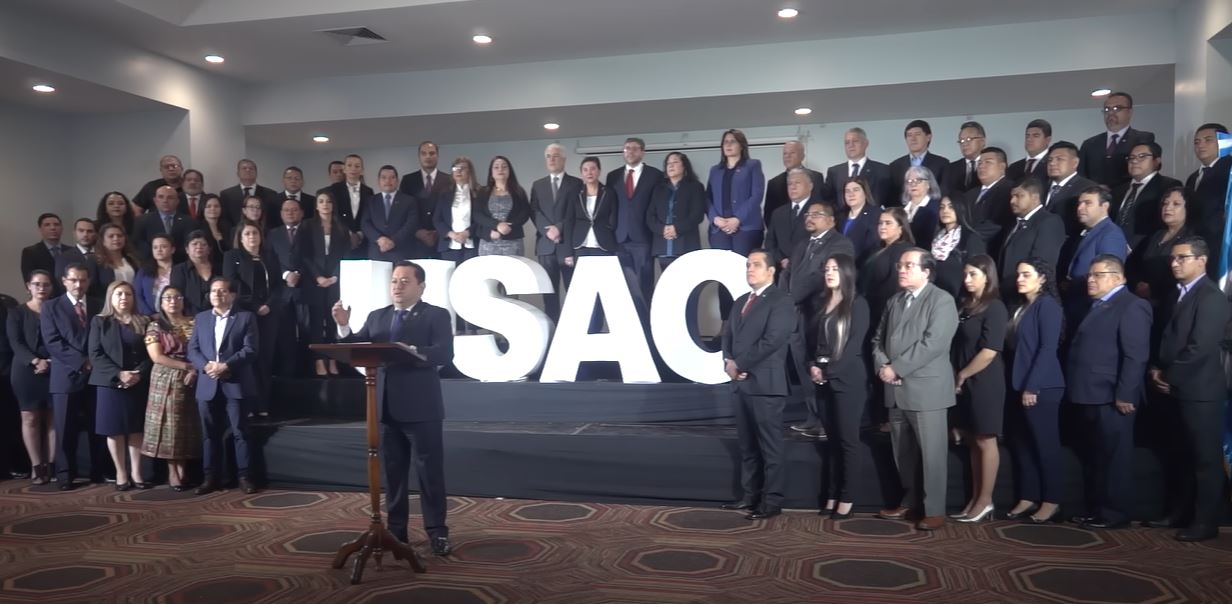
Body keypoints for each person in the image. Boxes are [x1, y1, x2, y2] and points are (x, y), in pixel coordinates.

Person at [333, 261, 455, 555]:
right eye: (394, 281)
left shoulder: (435, 315)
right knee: (393, 474)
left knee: (430, 474)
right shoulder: (378, 317)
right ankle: (396, 532)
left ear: (421, 286)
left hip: (422, 406)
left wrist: (413, 351)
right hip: (385, 407)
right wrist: (343, 324)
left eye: (404, 281)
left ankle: (437, 532)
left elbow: (444, 353)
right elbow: (355, 345)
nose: (397, 286)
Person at [1148, 236, 1231, 542]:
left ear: (1202, 260)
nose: (1174, 263)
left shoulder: (1211, 296)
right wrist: (1156, 368)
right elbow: (1166, 338)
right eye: (1172, 258)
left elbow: (1201, 347)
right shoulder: (1175, 294)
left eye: (1182, 258)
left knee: (1204, 459)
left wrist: (1169, 375)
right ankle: (1179, 514)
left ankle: (1205, 521)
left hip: (1200, 392)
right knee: (1180, 455)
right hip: (1174, 388)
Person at [872, 248, 959, 531]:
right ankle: (910, 500)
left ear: (926, 271)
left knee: (932, 454)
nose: (902, 269)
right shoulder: (895, 300)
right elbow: (877, 339)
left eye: (909, 265)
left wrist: (896, 368)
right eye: (900, 265)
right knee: (903, 453)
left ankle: (934, 509)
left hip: (927, 390)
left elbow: (934, 344)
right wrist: (883, 365)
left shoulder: (941, 301)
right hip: (894, 388)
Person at [1067, 255, 1151, 530]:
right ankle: (1097, 509)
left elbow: (1135, 356)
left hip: (1113, 397)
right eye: (1090, 275)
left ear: (1118, 278)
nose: (1090, 280)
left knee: (1114, 458)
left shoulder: (1132, 306)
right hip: (1088, 393)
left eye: (1098, 275)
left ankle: (1115, 513)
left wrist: (1125, 394)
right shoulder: (1094, 305)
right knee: (1096, 456)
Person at [719, 250, 795, 521]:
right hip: (740, 385)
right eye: (748, 265)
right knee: (747, 446)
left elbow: (772, 340)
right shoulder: (741, 300)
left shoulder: (782, 301)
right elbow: (727, 337)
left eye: (756, 265)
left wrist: (740, 364)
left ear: (771, 270)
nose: (750, 269)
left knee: (769, 447)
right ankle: (749, 496)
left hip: (766, 385)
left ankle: (771, 501)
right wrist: (729, 361)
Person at [1002, 258, 1066, 524]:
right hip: (1019, 385)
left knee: (1045, 445)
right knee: (1022, 445)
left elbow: (1047, 349)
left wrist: (1033, 386)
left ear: (1042, 279)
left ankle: (1051, 501)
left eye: (1026, 274)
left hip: (1042, 387)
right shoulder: (1020, 307)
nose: (1019, 279)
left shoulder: (1048, 306)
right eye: (1018, 274)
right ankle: (1028, 497)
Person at [784, 200, 854, 438]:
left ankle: (827, 421)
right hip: (796, 313)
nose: (809, 218)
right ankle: (812, 416)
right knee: (803, 364)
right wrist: (786, 299)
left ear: (831, 220)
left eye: (817, 214)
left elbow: (822, 278)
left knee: (821, 367)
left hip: (820, 313)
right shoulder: (801, 243)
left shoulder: (840, 243)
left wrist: (794, 296)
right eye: (808, 214)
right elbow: (788, 273)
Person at [187, 276, 259, 495]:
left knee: (240, 432)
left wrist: (226, 366)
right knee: (209, 433)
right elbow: (193, 349)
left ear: (232, 295)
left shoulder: (246, 318)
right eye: (213, 291)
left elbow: (250, 349)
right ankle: (210, 477)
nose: (217, 295)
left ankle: (244, 477)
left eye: (222, 291)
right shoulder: (201, 318)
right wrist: (207, 366)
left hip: (234, 382)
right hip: (207, 383)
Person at [810, 254, 869, 519]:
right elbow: (815, 344)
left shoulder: (858, 304)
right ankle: (832, 495)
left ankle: (848, 497)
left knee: (847, 441)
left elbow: (854, 347)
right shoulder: (821, 303)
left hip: (847, 379)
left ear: (847, 272)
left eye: (835, 268)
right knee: (831, 441)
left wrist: (829, 372)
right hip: (822, 379)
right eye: (827, 268)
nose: (830, 272)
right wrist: (813, 366)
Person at [949, 255, 1007, 523]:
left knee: (986, 439)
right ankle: (975, 498)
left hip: (985, 380)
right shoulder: (965, 306)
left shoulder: (995, 307)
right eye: (965, 274)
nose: (967, 280)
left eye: (973, 274)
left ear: (987, 276)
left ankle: (986, 500)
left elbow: (989, 351)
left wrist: (962, 374)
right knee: (973, 440)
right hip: (963, 380)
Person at [88, 281, 152, 490]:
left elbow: (150, 354)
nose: (124, 298)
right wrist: (119, 374)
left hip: (137, 382)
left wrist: (138, 374)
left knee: (136, 430)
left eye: (128, 294)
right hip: (110, 383)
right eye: (119, 294)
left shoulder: (144, 321)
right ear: (111, 298)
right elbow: (95, 354)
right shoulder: (100, 322)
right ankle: (121, 473)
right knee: (114, 430)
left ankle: (137, 472)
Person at [141, 285, 200, 491]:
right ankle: (173, 473)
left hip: (194, 377)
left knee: (187, 425)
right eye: (167, 298)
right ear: (161, 302)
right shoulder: (155, 326)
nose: (172, 301)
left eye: (177, 297)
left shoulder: (195, 322)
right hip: (166, 377)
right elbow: (157, 356)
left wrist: (194, 369)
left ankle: (184, 471)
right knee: (170, 426)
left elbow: (202, 349)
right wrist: (186, 366)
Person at [223, 222, 277, 417]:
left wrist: (269, 305)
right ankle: (247, 406)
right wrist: (255, 306)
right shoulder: (233, 256)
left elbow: (278, 285)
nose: (252, 236)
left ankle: (263, 405)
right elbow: (233, 285)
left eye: (255, 233)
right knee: (247, 359)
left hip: (268, 314)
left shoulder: (269, 257)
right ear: (241, 237)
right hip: (244, 314)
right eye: (247, 233)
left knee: (265, 359)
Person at [9, 271, 55, 485]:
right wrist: (36, 361)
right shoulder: (16, 312)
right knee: (31, 418)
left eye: (46, 284)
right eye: (37, 284)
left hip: (54, 369)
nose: (42, 288)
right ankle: (36, 466)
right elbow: (16, 343)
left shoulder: (57, 310)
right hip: (26, 370)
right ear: (29, 286)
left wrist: (50, 361)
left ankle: (52, 466)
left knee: (52, 418)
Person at [608, 138, 664, 308]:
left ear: (642, 152)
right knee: (620, 286)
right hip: (619, 238)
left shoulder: (655, 175)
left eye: (634, 148)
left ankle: (645, 328)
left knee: (643, 285)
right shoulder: (613, 176)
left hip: (643, 237)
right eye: (626, 149)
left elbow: (658, 207)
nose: (630, 152)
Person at [530, 144, 583, 323]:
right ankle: (553, 333)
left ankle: (573, 330)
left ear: (564, 159)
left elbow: (577, 212)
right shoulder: (538, 185)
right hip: (546, 247)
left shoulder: (576, 183)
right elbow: (534, 211)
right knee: (549, 295)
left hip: (568, 246)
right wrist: (549, 230)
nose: (552, 159)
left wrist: (559, 227)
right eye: (548, 156)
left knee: (574, 292)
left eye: (556, 155)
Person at [303, 192, 349, 376]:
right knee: (316, 323)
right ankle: (318, 361)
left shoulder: (341, 227)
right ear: (316, 205)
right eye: (321, 201)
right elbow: (305, 255)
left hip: (335, 281)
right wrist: (318, 277)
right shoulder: (307, 226)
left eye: (329, 201)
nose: (325, 204)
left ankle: (332, 361)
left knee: (332, 321)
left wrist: (335, 277)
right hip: (315, 282)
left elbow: (346, 254)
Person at [998, 178, 1066, 295]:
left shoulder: (1049, 221)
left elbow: (1043, 263)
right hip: (1008, 292)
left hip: (1031, 294)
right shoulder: (1014, 223)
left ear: (1035, 197)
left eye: (1019, 196)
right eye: (1012, 196)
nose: (1012, 201)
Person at [1111, 142, 1182, 252]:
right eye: (1131, 157)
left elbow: (1165, 224)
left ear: (1157, 161)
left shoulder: (1168, 186)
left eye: (1142, 156)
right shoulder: (1117, 190)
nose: (1134, 161)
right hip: (1112, 250)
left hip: (1147, 252)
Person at [1127, 187, 1190, 311]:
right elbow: (1132, 264)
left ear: (1188, 208)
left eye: (1176, 204)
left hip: (1169, 306)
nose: (1168, 208)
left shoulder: (1190, 239)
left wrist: (1153, 289)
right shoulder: (1155, 235)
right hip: (1141, 302)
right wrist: (1137, 284)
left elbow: (1185, 275)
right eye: (1165, 203)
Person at [267, 200, 310, 378]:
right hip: (282, 291)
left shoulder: (310, 232)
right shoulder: (273, 234)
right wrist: (286, 274)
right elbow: (270, 260)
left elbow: (315, 258)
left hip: (306, 288)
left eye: (294, 210)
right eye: (286, 210)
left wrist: (299, 273)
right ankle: (288, 372)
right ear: (281, 213)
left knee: (307, 331)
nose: (290, 213)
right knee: (285, 334)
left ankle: (307, 369)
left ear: (301, 212)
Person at [1078, 92, 1155, 189]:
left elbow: (1146, 172)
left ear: (1129, 112)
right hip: (1096, 199)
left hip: (1128, 197)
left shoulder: (1142, 138)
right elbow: (1081, 176)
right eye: (1107, 109)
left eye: (1117, 108)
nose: (1110, 113)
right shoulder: (1089, 144)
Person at [706, 129, 765, 256]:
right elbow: (707, 198)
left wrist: (737, 219)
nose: (728, 145)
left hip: (746, 227)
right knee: (722, 271)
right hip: (719, 228)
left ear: (741, 145)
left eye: (732, 141)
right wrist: (715, 219)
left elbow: (757, 195)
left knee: (743, 267)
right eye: (725, 142)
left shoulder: (753, 165)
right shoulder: (715, 170)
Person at [1183, 123, 1231, 278]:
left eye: (1208, 140)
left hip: (1222, 248)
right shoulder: (1193, 177)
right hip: (1196, 248)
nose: (1200, 145)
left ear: (1224, 142)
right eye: (1196, 142)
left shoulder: (1229, 171)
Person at [858, 208, 915, 330]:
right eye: (880, 223)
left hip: (883, 313)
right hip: (867, 308)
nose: (882, 226)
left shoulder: (904, 251)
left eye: (888, 223)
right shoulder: (875, 249)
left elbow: (895, 285)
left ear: (901, 228)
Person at [646, 151, 706, 268]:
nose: (670, 166)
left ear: (684, 166)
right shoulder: (658, 189)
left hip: (686, 244)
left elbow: (697, 215)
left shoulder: (695, 186)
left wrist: (676, 228)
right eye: (668, 163)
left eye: (675, 162)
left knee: (687, 284)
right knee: (668, 284)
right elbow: (650, 216)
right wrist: (663, 229)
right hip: (662, 245)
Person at [398, 141, 451, 259]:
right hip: (415, 239)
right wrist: (418, 231)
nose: (428, 156)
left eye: (432, 153)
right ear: (419, 156)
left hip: (441, 239)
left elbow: (451, 211)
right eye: (424, 153)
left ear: (437, 156)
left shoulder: (448, 180)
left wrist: (439, 231)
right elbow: (402, 211)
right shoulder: (408, 180)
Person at [563, 156, 617, 269]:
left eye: (593, 169)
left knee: (603, 283)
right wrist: (568, 252)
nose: (589, 172)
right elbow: (569, 222)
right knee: (583, 284)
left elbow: (614, 219)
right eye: (585, 170)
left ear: (599, 171)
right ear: (581, 173)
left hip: (603, 245)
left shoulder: (609, 192)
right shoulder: (575, 193)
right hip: (580, 246)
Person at [474, 156, 530, 257]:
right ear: (491, 173)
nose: (500, 169)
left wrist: (510, 225)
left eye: (504, 167)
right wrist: (497, 225)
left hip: (513, 241)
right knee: (488, 273)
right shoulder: (483, 192)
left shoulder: (518, 191)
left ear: (509, 171)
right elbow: (477, 215)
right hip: (489, 241)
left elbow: (525, 213)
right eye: (496, 167)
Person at [931, 196, 987, 298]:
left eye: (951, 207)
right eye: (942, 207)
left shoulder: (970, 238)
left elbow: (977, 271)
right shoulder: (937, 237)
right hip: (935, 293)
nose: (945, 211)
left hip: (958, 296)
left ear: (960, 209)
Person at [763, 168, 816, 273]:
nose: (793, 187)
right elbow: (770, 242)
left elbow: (821, 242)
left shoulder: (818, 211)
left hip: (809, 271)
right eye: (790, 184)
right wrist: (781, 259)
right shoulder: (778, 213)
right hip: (781, 271)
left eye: (797, 183)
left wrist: (794, 261)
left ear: (810, 186)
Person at [363, 165, 419, 261]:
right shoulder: (371, 201)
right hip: (377, 252)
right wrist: (379, 239)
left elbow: (411, 224)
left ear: (397, 181)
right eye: (384, 178)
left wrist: (393, 241)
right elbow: (365, 223)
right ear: (378, 181)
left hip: (401, 252)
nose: (388, 181)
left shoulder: (409, 200)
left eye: (392, 178)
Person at [888, 120, 949, 205]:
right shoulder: (895, 166)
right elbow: (892, 196)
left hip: (932, 213)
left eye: (917, 134)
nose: (913, 139)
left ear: (928, 137)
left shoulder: (942, 163)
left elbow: (944, 193)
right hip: (903, 214)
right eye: (909, 135)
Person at [825, 128, 892, 206]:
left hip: (872, 217)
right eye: (847, 142)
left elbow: (889, 200)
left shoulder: (882, 170)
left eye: (855, 141)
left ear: (866, 143)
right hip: (842, 217)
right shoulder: (834, 171)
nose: (851, 145)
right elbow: (828, 201)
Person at [1044, 142, 1098, 238]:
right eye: (1050, 160)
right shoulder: (1040, 187)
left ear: (1075, 163)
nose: (1052, 163)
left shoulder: (1088, 188)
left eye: (1059, 159)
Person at [964, 147, 1014, 251]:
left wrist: (969, 237)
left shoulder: (1011, 191)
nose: (982, 166)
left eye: (988, 162)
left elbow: (998, 224)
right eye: (980, 163)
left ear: (1002, 166)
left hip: (992, 250)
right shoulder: (970, 194)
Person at [434, 157, 480, 266]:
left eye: (462, 168)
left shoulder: (479, 192)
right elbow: (437, 219)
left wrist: (467, 233)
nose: (458, 171)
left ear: (470, 171)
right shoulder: (445, 193)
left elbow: (481, 219)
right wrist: (452, 234)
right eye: (455, 168)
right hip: (449, 245)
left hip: (472, 245)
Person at [765, 140, 824, 224]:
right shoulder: (773, 183)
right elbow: (768, 215)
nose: (787, 156)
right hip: (783, 231)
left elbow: (821, 206)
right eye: (785, 154)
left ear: (802, 156)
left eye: (792, 153)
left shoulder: (816, 177)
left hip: (810, 229)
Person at [328, 154, 373, 259]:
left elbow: (369, 216)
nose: (353, 169)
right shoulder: (334, 190)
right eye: (349, 165)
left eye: (357, 166)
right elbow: (333, 215)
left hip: (362, 242)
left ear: (362, 170)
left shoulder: (368, 191)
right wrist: (348, 234)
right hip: (340, 240)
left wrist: (359, 234)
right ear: (344, 169)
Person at [132, 185, 193, 262]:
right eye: (161, 197)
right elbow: (138, 244)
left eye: (170, 197)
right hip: (150, 264)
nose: (165, 200)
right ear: (155, 201)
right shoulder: (141, 221)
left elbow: (189, 244)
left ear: (177, 201)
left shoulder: (188, 222)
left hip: (181, 263)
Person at [86, 223, 139, 310]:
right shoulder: (94, 261)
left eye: (119, 236)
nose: (116, 239)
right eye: (111, 236)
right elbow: (92, 289)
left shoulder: (132, 259)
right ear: (103, 241)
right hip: (107, 308)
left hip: (133, 306)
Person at [219, 159, 282, 227]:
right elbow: (224, 220)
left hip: (263, 235)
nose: (248, 170)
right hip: (235, 235)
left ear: (256, 173)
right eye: (244, 168)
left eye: (251, 168)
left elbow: (274, 219)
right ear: (238, 173)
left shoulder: (270, 194)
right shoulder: (226, 195)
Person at [170, 231, 220, 317]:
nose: (199, 247)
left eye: (203, 244)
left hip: (218, 315)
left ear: (209, 249)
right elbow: (177, 295)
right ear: (187, 250)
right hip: (190, 317)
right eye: (194, 244)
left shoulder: (219, 268)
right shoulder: (179, 270)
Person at [838, 177, 881, 263]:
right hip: (841, 266)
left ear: (865, 193)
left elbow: (873, 247)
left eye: (856, 190)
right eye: (847, 191)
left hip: (863, 266)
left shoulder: (876, 214)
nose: (851, 194)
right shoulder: (840, 215)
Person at [134, 234, 176, 316]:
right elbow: (136, 294)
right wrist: (150, 314)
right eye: (155, 247)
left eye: (163, 246)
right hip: (149, 316)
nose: (159, 250)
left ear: (172, 249)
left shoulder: (181, 270)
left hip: (175, 315)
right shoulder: (144, 271)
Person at [943, 121, 987, 197]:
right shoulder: (950, 168)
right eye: (961, 141)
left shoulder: (991, 166)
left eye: (969, 139)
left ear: (982, 141)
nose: (965, 144)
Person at [21, 213, 69, 283]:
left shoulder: (72, 251)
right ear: (40, 229)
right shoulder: (30, 252)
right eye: (47, 225)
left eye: (56, 224)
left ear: (62, 228)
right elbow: (29, 280)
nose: (53, 228)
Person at [901, 166, 941, 248]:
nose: (913, 184)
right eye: (909, 181)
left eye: (918, 180)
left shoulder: (936, 208)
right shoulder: (902, 210)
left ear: (928, 184)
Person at [1007, 119, 1052, 184]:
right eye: (1027, 136)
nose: (1029, 139)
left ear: (1048, 140)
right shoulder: (1013, 167)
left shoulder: (1052, 165)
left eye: (1036, 136)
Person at [196, 195, 232, 265]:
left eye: (216, 206)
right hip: (204, 265)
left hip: (225, 265)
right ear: (203, 208)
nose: (213, 209)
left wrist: (220, 239)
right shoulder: (196, 226)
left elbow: (230, 250)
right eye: (208, 206)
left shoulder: (227, 226)